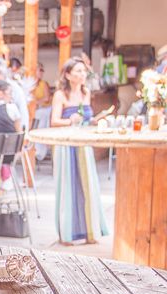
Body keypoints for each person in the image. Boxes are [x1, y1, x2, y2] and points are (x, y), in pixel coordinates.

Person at [50, 57, 109, 245]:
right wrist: (71, 120)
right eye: (77, 71)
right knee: (68, 186)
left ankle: (90, 231)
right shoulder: (60, 95)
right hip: (65, 144)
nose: (82, 74)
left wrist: (96, 119)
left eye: (84, 71)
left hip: (84, 143)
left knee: (88, 186)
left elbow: (86, 118)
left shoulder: (86, 92)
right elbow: (54, 121)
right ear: (67, 75)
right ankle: (66, 234)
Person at [32, 62, 52, 160]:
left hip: (44, 109)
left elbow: (47, 98)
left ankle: (39, 151)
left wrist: (36, 103)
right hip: (34, 110)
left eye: (42, 70)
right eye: (40, 70)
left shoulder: (43, 84)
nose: (41, 72)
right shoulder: (30, 83)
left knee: (40, 119)